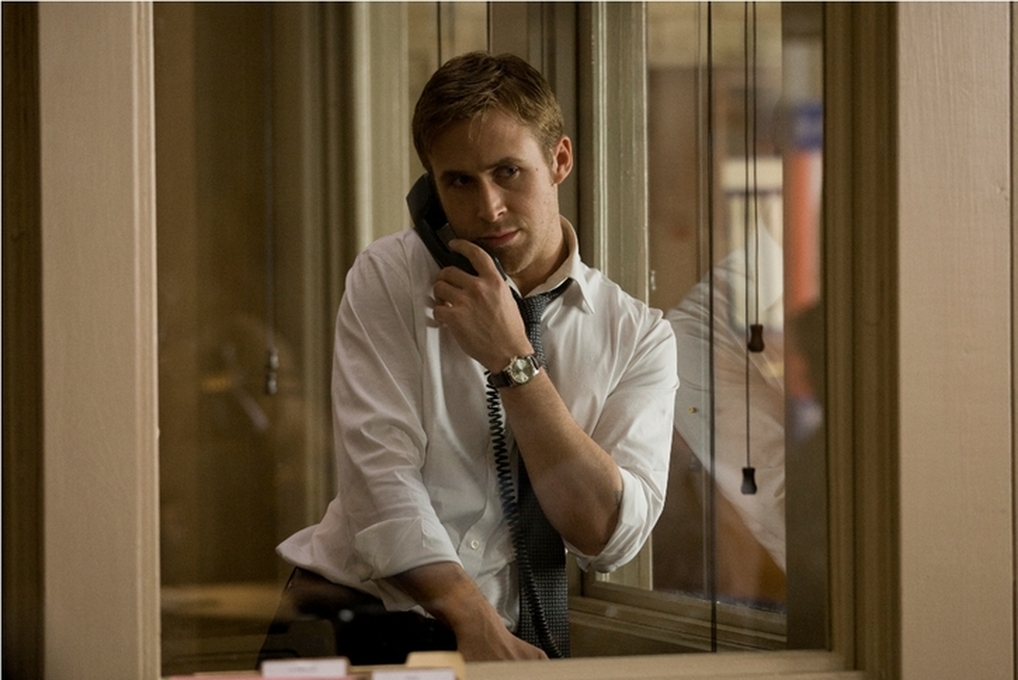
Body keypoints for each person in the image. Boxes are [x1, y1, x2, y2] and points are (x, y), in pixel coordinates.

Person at [262, 51, 677, 665]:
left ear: (559, 160)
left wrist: (512, 360)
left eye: (508, 172)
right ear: (431, 188)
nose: (488, 207)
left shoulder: (638, 335)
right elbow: (380, 476)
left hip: (508, 644)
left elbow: (606, 535)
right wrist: (474, 623)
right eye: (459, 181)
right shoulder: (389, 277)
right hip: (359, 619)